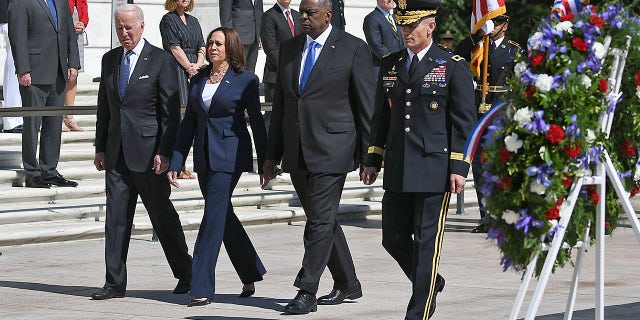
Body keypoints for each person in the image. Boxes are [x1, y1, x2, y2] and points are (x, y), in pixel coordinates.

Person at [361, 0, 476, 319]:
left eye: (413, 26)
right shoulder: (390, 63)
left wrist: (458, 167)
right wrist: (373, 156)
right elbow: (381, 115)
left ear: (431, 26)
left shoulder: (451, 64)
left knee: (427, 246)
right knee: (393, 238)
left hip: (433, 168)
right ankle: (430, 283)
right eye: (403, 25)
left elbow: (463, 122)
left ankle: (419, 312)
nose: (406, 31)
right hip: (398, 165)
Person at [261, 0, 375, 314]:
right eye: (302, 12)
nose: (304, 17)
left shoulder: (353, 48)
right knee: (323, 221)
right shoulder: (289, 49)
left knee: (319, 222)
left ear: (328, 14)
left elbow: (367, 107)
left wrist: (371, 156)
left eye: (310, 13)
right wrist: (271, 156)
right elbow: (281, 106)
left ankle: (306, 289)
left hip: (334, 149)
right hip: (297, 150)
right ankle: (347, 282)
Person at [91, 4, 192, 300]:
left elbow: (170, 115)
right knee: (116, 220)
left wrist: (165, 152)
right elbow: (104, 108)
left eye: (129, 28)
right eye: (119, 28)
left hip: (150, 157)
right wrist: (100, 147)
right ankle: (114, 282)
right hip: (116, 154)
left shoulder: (160, 60)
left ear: (142, 26)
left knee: (162, 217)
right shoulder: (110, 60)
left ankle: (186, 273)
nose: (124, 33)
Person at [167, 27, 268, 307]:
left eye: (218, 44)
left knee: (212, 218)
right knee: (223, 215)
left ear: (231, 48)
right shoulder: (198, 79)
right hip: (204, 156)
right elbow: (189, 123)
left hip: (230, 156)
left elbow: (257, 121)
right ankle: (250, 271)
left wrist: (267, 160)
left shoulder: (245, 79)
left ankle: (200, 286)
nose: (212, 47)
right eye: (210, 43)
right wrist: (177, 160)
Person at [454, 13, 523, 233]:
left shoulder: (514, 49)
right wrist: (476, 37)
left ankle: (506, 215)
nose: (493, 26)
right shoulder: (478, 45)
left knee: (502, 161)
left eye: (498, 22)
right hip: (478, 105)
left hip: (502, 107)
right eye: (491, 22)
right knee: (480, 163)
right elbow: (457, 55)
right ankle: (487, 217)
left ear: (506, 25)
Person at [9, 0, 79, 188]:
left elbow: (69, 32)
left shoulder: (61, 1)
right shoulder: (21, 2)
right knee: (32, 124)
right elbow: (17, 36)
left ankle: (49, 170)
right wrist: (23, 69)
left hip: (58, 72)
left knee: (54, 125)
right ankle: (32, 172)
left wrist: (73, 62)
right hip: (34, 72)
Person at [160, 0, 206, 180]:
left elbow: (202, 46)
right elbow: (174, 47)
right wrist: (189, 68)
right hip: (178, 69)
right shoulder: (168, 20)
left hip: (195, 69)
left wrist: (198, 66)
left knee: (194, 115)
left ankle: (184, 164)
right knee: (180, 116)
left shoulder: (194, 20)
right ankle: (177, 165)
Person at [260, 0, 300, 104]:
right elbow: (270, 48)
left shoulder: (297, 15)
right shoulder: (269, 16)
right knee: (273, 117)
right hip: (276, 76)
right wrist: (288, 68)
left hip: (297, 76)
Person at [61, 0, 88, 132]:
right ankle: (57, 116)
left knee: (73, 72)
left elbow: (82, 2)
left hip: (75, 17)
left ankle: (69, 117)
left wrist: (83, 21)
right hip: (58, 18)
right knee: (58, 71)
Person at [362, 0, 404, 79]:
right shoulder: (371, 18)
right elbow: (376, 45)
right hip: (382, 69)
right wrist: (393, 61)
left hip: (399, 68)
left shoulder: (395, 18)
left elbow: (402, 41)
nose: (390, 0)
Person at [219, 0, 263, 73]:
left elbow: (259, 10)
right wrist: (230, 36)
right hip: (238, 36)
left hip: (255, 36)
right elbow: (225, 14)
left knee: (250, 72)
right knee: (236, 70)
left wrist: (261, 33)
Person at [0, 0, 22, 133]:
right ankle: (12, 119)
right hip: (9, 11)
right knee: (15, 57)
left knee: (16, 59)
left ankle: (14, 118)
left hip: (14, 11)